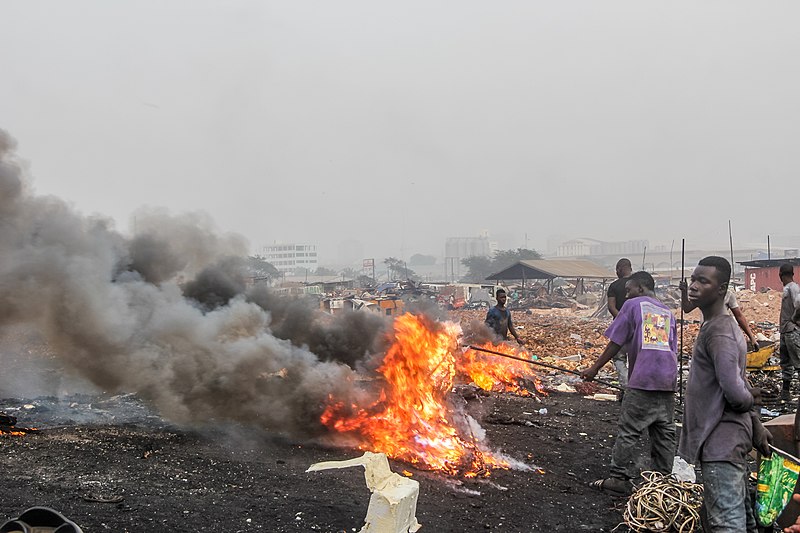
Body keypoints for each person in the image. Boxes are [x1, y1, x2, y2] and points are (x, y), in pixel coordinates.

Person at [678, 256, 772, 532]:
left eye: (702, 281)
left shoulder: (719, 332)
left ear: (721, 290)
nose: (694, 286)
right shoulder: (717, 325)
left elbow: (735, 392)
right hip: (727, 440)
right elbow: (737, 381)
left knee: (726, 525)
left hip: (722, 443)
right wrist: (756, 424)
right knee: (741, 521)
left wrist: (750, 397)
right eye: (693, 279)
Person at [581, 271, 677, 496]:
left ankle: (618, 478)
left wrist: (594, 368)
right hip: (668, 381)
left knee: (629, 430)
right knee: (664, 432)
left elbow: (616, 341)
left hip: (643, 380)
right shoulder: (667, 312)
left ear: (641, 288)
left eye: (629, 289)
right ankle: (662, 482)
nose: (626, 294)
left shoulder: (633, 305)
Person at [679, 281, 759, 350]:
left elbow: (739, 316)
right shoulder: (703, 294)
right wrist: (684, 292)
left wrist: (752, 338)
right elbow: (687, 308)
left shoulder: (728, 294)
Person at [607, 258, 633, 390]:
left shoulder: (615, 286)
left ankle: (626, 388)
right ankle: (635, 388)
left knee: (619, 358)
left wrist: (623, 322)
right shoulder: (641, 284)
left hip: (620, 329)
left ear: (620, 269)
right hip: (640, 328)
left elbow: (611, 308)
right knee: (637, 358)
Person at [779, 263, 800, 402]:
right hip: (785, 332)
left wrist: (794, 319)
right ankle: (785, 393)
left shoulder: (793, 287)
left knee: (798, 363)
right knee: (785, 363)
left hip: (791, 331)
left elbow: (799, 305)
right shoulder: (788, 288)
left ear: (780, 275)